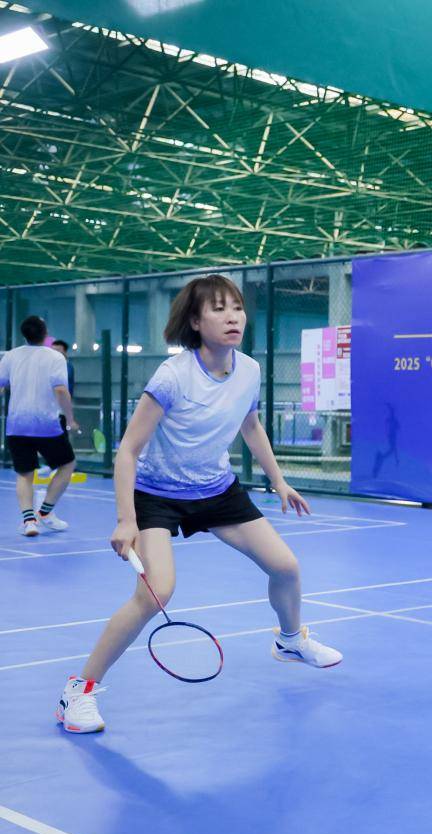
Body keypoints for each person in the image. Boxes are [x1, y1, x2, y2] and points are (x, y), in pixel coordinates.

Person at [56, 275, 342, 734]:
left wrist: (279, 481)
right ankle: (78, 691)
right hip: (157, 495)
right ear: (195, 321)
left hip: (216, 490)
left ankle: (290, 641)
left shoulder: (249, 370)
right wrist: (126, 520)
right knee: (156, 592)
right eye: (218, 309)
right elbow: (128, 450)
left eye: (237, 307)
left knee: (286, 567)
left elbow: (251, 425)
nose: (233, 317)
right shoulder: (173, 376)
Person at [0, 316, 78, 536]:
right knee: (67, 465)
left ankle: (29, 522)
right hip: (47, 426)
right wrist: (70, 418)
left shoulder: (10, 356)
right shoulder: (55, 357)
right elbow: (61, 390)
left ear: (24, 334)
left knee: (25, 474)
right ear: (46, 333)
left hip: (16, 425)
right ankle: (45, 512)